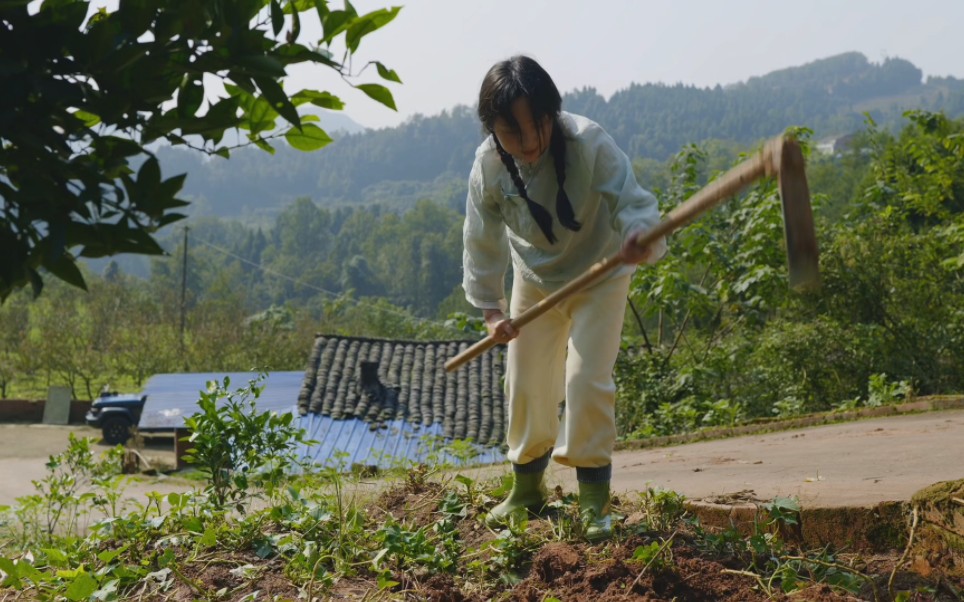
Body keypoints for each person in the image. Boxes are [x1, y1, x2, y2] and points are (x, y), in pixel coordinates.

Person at [462, 55, 666, 542]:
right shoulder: (488, 165)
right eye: (514, 134)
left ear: (552, 115)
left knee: (586, 378)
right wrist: (492, 311)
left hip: (600, 271)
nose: (529, 144)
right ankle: (526, 490)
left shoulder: (588, 140)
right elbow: (481, 240)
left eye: (538, 128)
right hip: (534, 280)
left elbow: (633, 200)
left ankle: (594, 500)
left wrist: (638, 234)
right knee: (526, 380)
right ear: (492, 129)